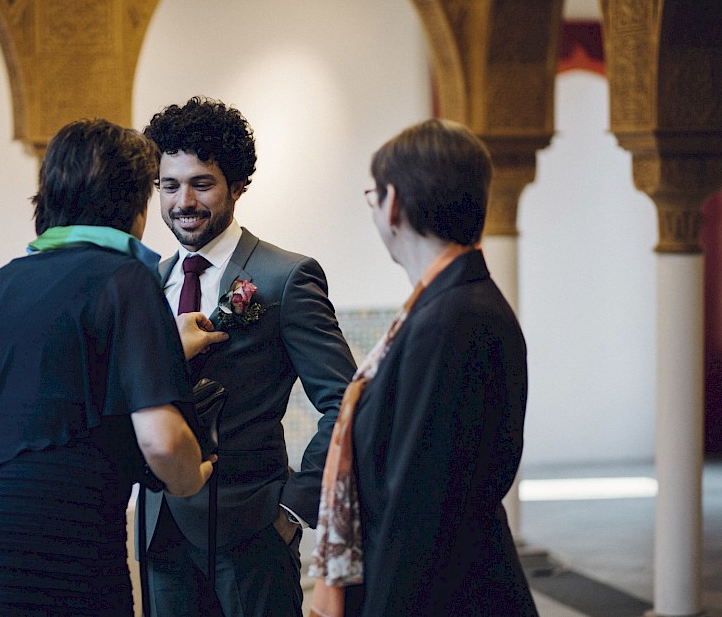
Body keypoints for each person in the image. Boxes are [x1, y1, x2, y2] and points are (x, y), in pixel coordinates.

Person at [0, 118, 227, 615]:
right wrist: (190, 480)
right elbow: (163, 439)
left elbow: (61, 373)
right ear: (133, 203)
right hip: (56, 525)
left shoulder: (5, 280)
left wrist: (163, 347)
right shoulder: (127, 277)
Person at [309, 118, 538, 616]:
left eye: (374, 196)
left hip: (449, 595)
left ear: (394, 204)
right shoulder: (444, 305)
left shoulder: (453, 317)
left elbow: (420, 507)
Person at [140, 96, 357, 616]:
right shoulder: (146, 282)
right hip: (160, 530)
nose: (183, 201)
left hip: (253, 530)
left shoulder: (286, 276)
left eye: (202, 183)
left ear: (237, 186)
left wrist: (295, 506)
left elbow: (347, 402)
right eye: (169, 186)